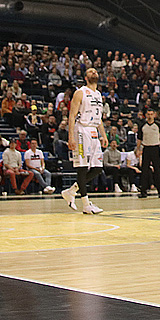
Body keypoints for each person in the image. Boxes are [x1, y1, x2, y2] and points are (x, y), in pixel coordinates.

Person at [62, 67, 108, 214]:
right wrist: (71, 137)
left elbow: (99, 118)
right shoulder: (80, 92)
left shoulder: (99, 94)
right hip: (81, 130)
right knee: (82, 167)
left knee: (97, 168)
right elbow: (72, 115)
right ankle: (86, 204)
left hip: (94, 131)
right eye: (90, 71)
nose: (94, 72)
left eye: (95, 71)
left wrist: (104, 135)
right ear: (86, 77)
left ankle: (71, 191)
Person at [136, 109, 160, 199]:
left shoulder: (158, 125)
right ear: (146, 115)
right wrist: (138, 149)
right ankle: (143, 191)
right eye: (148, 114)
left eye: (151, 114)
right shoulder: (142, 125)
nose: (150, 116)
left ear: (154, 115)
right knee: (145, 170)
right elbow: (139, 139)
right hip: (146, 148)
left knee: (158, 170)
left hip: (155, 148)